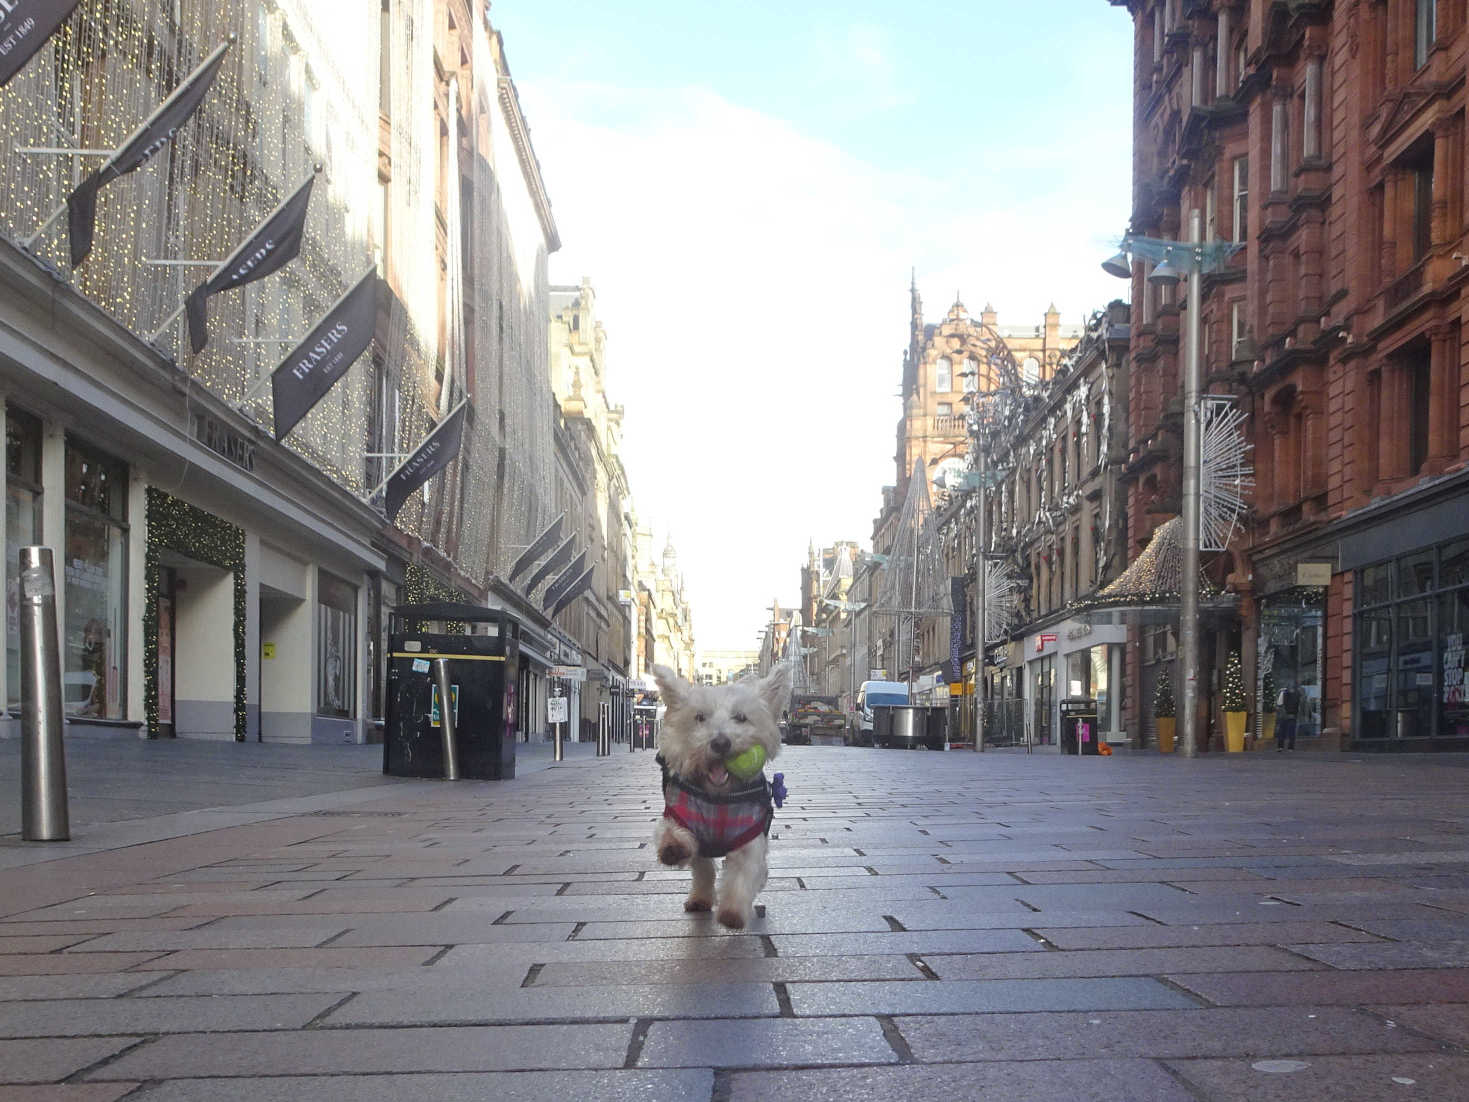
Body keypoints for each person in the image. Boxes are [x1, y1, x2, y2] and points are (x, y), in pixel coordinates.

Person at [1276, 682, 1300, 752]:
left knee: (1282, 731)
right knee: (1291, 732)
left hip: (1284, 715)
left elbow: (1279, 703)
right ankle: (1290, 747)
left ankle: (1280, 747)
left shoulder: (1283, 693)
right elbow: (1298, 705)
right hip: (1293, 715)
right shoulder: (1297, 694)